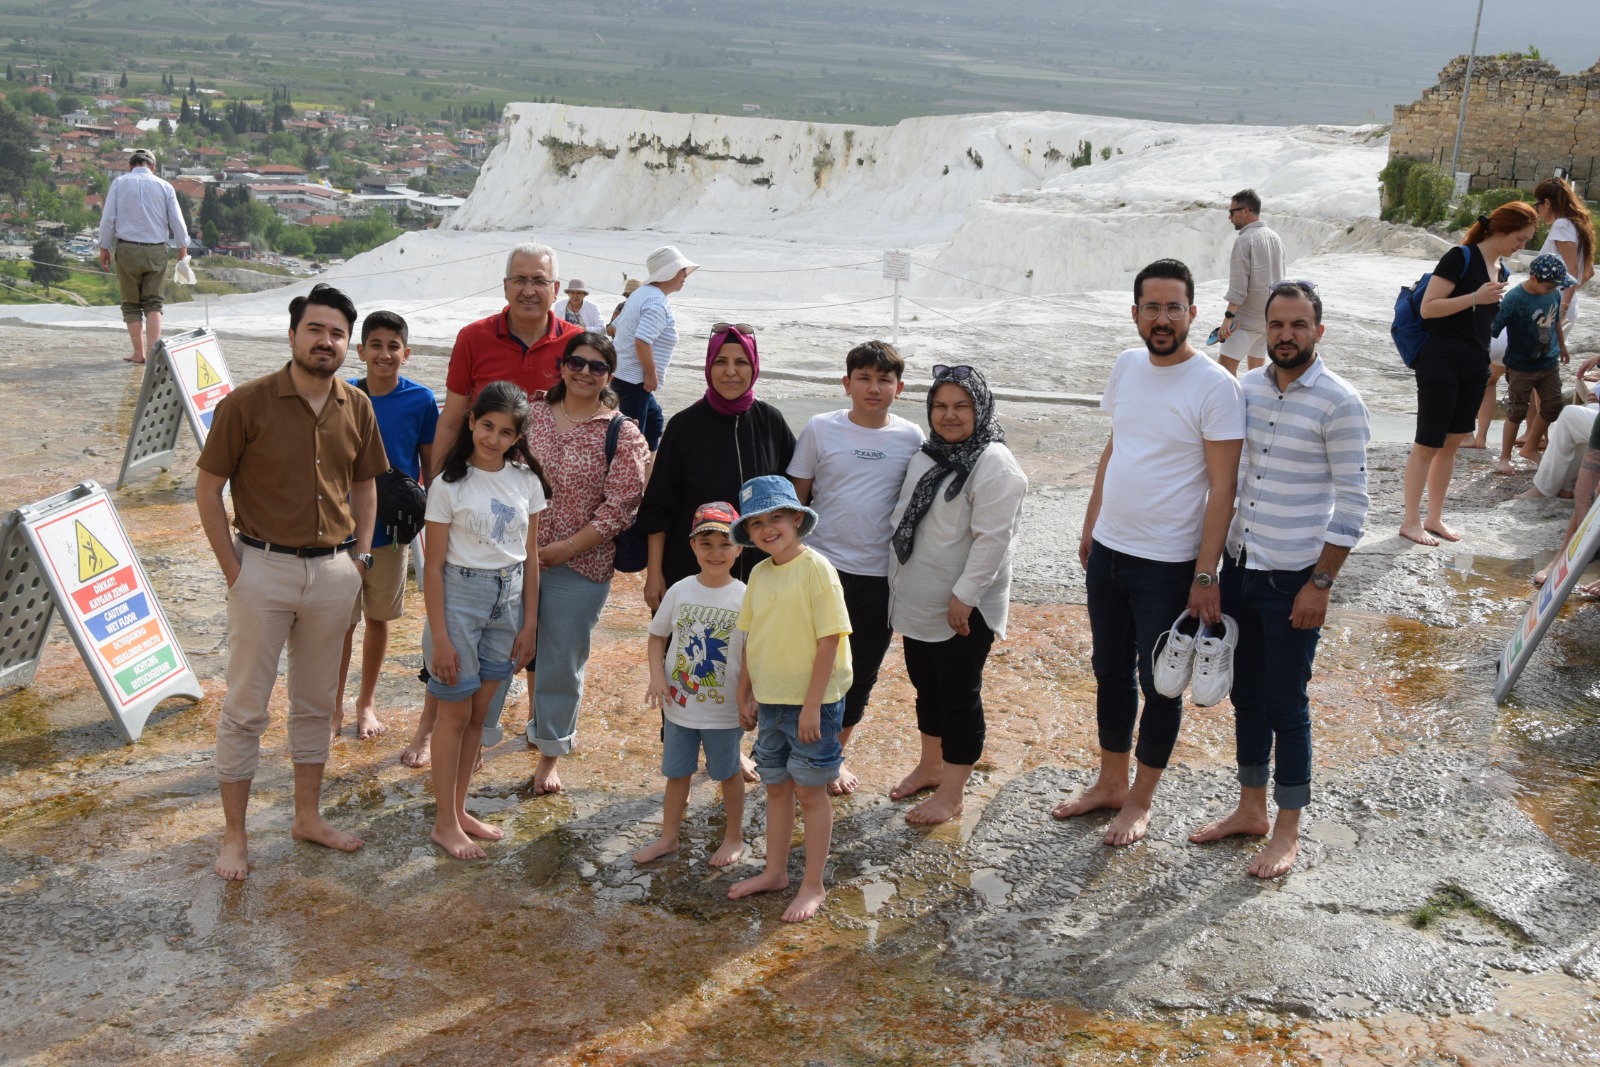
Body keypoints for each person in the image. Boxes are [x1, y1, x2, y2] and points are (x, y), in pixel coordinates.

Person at [194, 283, 387, 880]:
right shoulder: (246, 403)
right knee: (246, 706)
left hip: (333, 573)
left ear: (345, 346)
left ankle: (308, 817)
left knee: (315, 703)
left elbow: (365, 486)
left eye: (336, 334)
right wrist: (235, 570)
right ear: (293, 334)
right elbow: (207, 489)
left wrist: (358, 559)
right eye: (315, 330)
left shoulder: (356, 405)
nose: (325, 341)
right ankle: (234, 835)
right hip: (262, 569)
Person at [1052, 258, 1245, 845]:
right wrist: (1091, 524)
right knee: (1107, 670)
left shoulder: (1216, 386)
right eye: (1152, 308)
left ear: (1193, 313)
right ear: (1134, 313)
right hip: (1110, 549)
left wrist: (1205, 574)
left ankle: (1141, 799)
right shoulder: (1128, 365)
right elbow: (1117, 448)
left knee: (1159, 681)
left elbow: (1224, 488)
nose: (1163, 319)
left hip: (1168, 563)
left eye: (1174, 307)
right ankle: (1110, 781)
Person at [1187, 281, 1371, 878]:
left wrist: (1320, 584)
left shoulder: (1341, 402)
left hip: (1295, 578)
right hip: (1240, 570)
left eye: (1298, 324)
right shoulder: (1244, 390)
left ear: (1319, 330)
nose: (1286, 334)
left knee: (1287, 703)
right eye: (1277, 325)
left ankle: (1288, 831)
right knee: (1246, 696)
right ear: (1264, 330)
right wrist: (1210, 570)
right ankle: (1250, 810)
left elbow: (1355, 504)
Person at [885, 365, 1028, 825]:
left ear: (980, 408)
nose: (950, 416)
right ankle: (930, 765)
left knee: (958, 696)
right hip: (919, 598)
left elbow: (994, 540)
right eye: (941, 406)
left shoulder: (994, 464)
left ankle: (953, 792)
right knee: (925, 684)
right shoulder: (930, 454)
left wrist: (965, 596)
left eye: (961, 406)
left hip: (962, 608)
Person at [788, 340, 924, 796]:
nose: (873, 387)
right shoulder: (820, 429)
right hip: (820, 568)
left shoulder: (911, 438)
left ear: (899, 388)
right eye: (863, 378)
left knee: (859, 671)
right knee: (805, 665)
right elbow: (795, 501)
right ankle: (795, 746)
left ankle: (832, 755)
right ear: (846, 383)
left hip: (879, 576)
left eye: (884, 379)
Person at [422, 382, 547, 859]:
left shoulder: (526, 482)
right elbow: (432, 566)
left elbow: (531, 557)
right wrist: (441, 638)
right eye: (487, 426)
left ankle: (458, 811)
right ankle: (443, 823)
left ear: (518, 438)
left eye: (506, 432)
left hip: (509, 599)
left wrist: (529, 622)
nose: (494, 438)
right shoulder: (448, 484)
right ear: (472, 422)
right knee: (453, 712)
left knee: (479, 713)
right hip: (459, 597)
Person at [519, 332, 648, 794]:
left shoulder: (622, 432)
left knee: (560, 662)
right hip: (513, 559)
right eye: (577, 362)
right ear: (562, 365)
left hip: (580, 567)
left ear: (609, 376)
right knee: (497, 652)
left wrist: (566, 548)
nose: (585, 372)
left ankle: (549, 754)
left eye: (597, 367)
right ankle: (479, 737)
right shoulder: (530, 415)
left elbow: (621, 507)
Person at [726, 476, 852, 923]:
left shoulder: (817, 568)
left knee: (811, 791)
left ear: (797, 518)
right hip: (771, 700)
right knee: (776, 788)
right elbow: (749, 638)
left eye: (776, 517)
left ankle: (813, 885)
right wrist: (744, 694)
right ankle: (774, 872)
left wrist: (814, 705)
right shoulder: (758, 573)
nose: (767, 528)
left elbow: (831, 637)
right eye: (756, 523)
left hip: (811, 703)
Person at [1399, 202, 1537, 546]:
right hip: (1441, 358)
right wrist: (1474, 296)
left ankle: (1434, 518)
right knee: (1427, 443)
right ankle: (1410, 520)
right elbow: (1430, 309)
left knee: (1451, 445)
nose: (1522, 246)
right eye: (1520, 238)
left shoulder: (1501, 269)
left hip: (1476, 363)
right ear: (1501, 230)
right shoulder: (1459, 257)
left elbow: (1485, 321)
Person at [640, 323, 797, 610]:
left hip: (759, 576)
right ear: (709, 366)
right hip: (690, 573)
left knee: (754, 654)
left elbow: (795, 497)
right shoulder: (684, 426)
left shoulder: (770, 422)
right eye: (721, 362)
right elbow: (658, 507)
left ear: (754, 367)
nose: (731, 371)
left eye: (741, 362)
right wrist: (654, 574)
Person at [334, 310, 437, 742]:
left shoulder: (421, 401)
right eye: (375, 345)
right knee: (340, 622)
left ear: (406, 353)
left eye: (393, 346)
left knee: (378, 618)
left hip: (390, 533)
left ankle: (366, 703)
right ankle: (332, 706)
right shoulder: (341, 394)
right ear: (360, 351)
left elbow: (431, 471)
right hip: (339, 530)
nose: (384, 354)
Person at [633, 501, 749, 867]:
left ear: (739, 548)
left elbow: (752, 655)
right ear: (692, 546)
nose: (715, 552)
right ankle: (668, 837)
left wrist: (749, 698)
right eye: (706, 543)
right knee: (677, 774)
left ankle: (734, 837)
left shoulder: (745, 596)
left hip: (725, 712)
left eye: (724, 543)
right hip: (679, 707)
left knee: (728, 774)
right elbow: (657, 637)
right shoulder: (680, 590)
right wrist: (657, 678)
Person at [432, 243, 580, 464]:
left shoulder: (576, 343)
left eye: (539, 281)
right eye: (520, 280)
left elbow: (593, 416)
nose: (529, 291)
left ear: (555, 289)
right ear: (505, 286)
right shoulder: (473, 338)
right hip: (483, 475)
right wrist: (437, 484)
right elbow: (451, 421)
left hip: (554, 481)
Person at [98, 149, 190, 364]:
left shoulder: (119, 184)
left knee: (131, 304)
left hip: (127, 249)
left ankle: (138, 353)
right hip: (157, 250)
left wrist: (103, 246)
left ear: (130, 166)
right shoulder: (165, 186)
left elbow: (108, 218)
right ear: (153, 167)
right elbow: (177, 220)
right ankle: (152, 354)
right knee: (154, 304)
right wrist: (182, 247)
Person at [1493, 253, 1575, 475]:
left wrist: (1563, 347)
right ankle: (1504, 457)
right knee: (1516, 411)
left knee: (1553, 405)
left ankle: (1530, 447)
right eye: (1549, 286)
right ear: (1533, 278)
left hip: (1549, 363)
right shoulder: (1515, 299)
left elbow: (1556, 320)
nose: (1553, 290)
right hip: (1521, 366)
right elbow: (1493, 329)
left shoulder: (1553, 293)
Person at [611, 246, 697, 451]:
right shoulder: (656, 301)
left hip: (625, 374)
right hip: (635, 380)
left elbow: (616, 326)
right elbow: (641, 341)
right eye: (681, 270)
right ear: (668, 272)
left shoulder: (642, 293)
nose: (685, 275)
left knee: (655, 422)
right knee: (631, 439)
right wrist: (650, 374)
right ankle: (633, 478)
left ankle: (650, 470)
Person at [1214, 189, 1285, 377]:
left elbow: (1238, 288)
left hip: (1246, 321)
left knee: (1224, 370)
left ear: (1245, 211)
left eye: (1232, 212)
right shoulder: (1275, 237)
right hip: (1268, 318)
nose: (1230, 217)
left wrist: (1228, 318)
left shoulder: (1245, 241)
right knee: (1257, 372)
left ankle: (1231, 407)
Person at [1534, 176, 1595, 328]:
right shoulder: (1575, 225)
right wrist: (1564, 294)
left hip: (1554, 308)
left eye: (1537, 205)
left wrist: (1562, 305)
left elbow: (1572, 269)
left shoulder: (1562, 225)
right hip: (1562, 304)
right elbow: (1588, 272)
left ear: (1547, 203)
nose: (1537, 212)